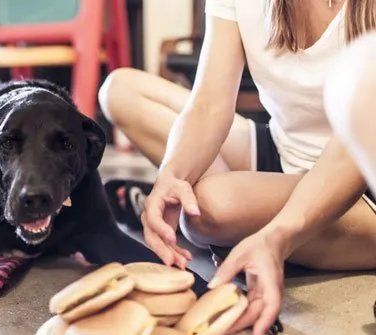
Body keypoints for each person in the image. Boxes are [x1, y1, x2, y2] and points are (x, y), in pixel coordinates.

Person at [98, 1, 376, 334]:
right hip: (281, 151)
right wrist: (172, 176)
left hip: (363, 180)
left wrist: (279, 236)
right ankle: (231, 225)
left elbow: (350, 152)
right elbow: (210, 103)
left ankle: (235, 228)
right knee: (122, 90)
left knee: (209, 209)